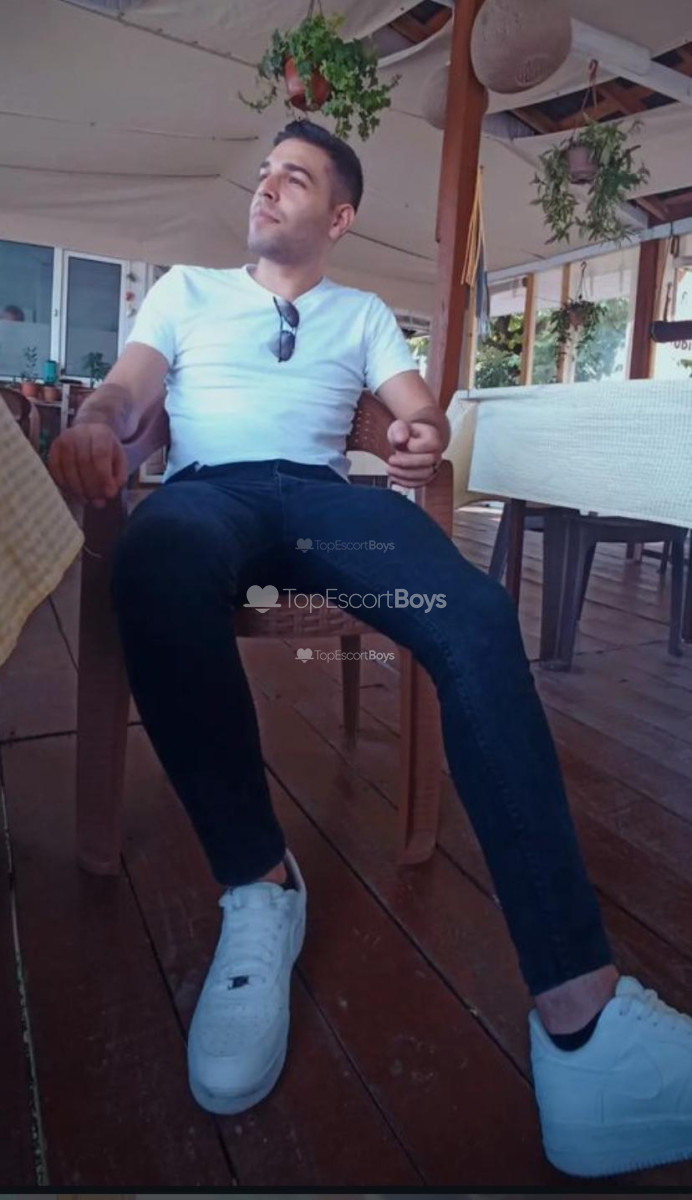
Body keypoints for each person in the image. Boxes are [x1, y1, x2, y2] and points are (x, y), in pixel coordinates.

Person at [47, 120, 692, 1179]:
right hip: (208, 495)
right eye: (266, 175)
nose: (266, 189)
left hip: (329, 507)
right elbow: (127, 388)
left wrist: (417, 433)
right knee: (154, 563)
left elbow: (414, 412)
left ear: (338, 217)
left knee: (471, 614)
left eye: (294, 179)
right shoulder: (185, 292)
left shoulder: (359, 315)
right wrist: (97, 418)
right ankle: (261, 884)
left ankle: (583, 1028)